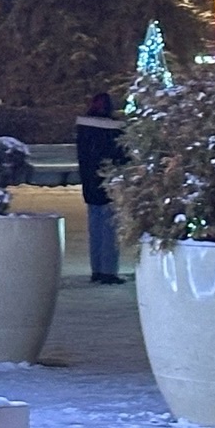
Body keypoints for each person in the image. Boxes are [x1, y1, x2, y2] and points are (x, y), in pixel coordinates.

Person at [76, 91, 129, 284]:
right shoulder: (114, 130)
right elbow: (123, 155)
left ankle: (97, 269)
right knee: (109, 229)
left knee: (95, 227)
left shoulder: (83, 127)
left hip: (90, 184)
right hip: (109, 184)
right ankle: (108, 271)